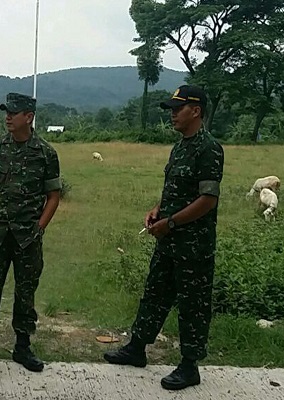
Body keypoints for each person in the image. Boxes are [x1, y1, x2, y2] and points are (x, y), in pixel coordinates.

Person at [103, 85, 224, 391]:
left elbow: (207, 199)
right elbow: (174, 188)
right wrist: (157, 210)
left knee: (192, 303)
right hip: (168, 239)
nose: (172, 114)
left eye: (177, 108)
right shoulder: (180, 146)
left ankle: (189, 365)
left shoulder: (209, 148)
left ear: (195, 111)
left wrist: (171, 222)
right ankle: (137, 348)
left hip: (193, 245)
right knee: (155, 293)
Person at [0, 92, 62, 384]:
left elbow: (53, 197)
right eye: (7, 111)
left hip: (27, 238)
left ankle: (22, 347)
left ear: (28, 117)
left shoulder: (45, 152)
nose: (8, 117)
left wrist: (39, 228)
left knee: (25, 292)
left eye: (14, 112)